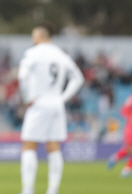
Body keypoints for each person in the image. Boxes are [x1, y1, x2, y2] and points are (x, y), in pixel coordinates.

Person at [17, 23, 85, 194]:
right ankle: (53, 189)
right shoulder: (61, 54)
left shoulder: (33, 53)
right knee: (54, 146)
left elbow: (22, 76)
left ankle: (28, 189)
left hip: (39, 103)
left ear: (41, 36)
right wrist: (63, 97)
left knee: (29, 146)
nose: (33, 39)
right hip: (56, 104)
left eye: (34, 36)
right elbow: (78, 78)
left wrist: (26, 98)